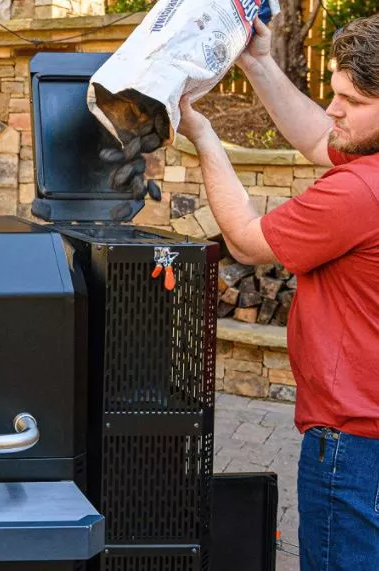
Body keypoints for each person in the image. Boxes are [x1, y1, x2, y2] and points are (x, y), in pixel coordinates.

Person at [177, 13, 379, 571]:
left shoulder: (360, 193)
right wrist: (258, 60)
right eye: (334, 90)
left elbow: (244, 240)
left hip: (354, 441)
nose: (335, 108)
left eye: (353, 100)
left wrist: (205, 135)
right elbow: (322, 138)